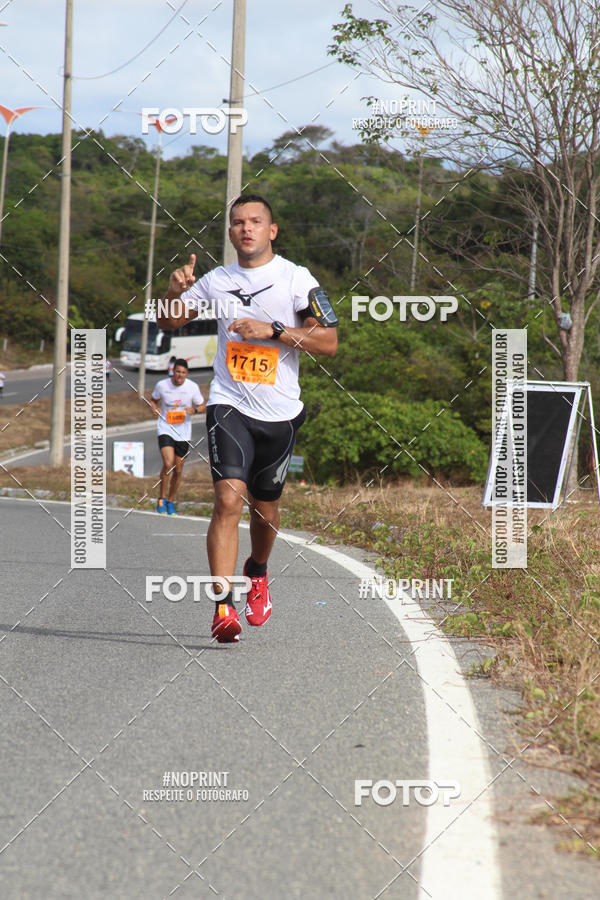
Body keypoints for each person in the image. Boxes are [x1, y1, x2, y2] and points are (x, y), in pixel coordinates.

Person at [157, 194, 338, 643]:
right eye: (238, 222)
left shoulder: (296, 278)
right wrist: (173, 293)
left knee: (265, 509)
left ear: (271, 230)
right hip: (229, 402)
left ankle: (257, 569)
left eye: (255, 221)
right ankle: (223, 606)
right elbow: (168, 324)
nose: (246, 228)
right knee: (228, 499)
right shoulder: (217, 280)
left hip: (280, 412)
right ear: (230, 232)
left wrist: (273, 330)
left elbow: (328, 342)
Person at [150, 359, 206, 515]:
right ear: (172, 372)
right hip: (165, 428)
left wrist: (195, 410)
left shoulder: (192, 387)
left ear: (186, 373)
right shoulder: (162, 385)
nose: (180, 375)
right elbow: (153, 400)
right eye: (177, 372)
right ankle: (161, 499)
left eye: (183, 372)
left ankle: (171, 501)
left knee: (179, 470)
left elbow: (203, 406)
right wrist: (154, 409)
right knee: (168, 464)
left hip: (183, 432)